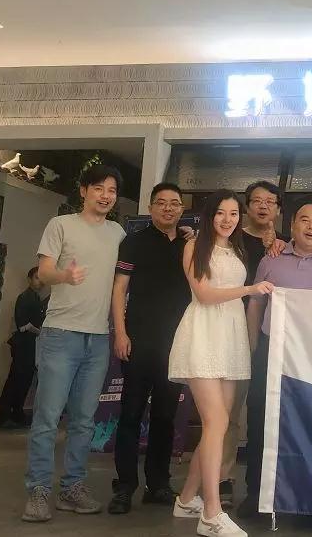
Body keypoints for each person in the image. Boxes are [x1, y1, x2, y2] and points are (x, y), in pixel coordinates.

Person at [240, 203, 312, 536]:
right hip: (273, 350)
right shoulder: (272, 259)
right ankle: (257, 494)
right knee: (262, 418)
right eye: (304, 219)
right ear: (291, 225)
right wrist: (252, 349)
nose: (311, 226)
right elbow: (256, 305)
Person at [22, 165, 126, 522]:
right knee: (47, 418)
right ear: (83, 190)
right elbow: (44, 272)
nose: (106, 195)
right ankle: (38, 491)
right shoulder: (61, 225)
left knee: (84, 421)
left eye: (112, 190)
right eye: (99, 188)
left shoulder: (118, 233)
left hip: (98, 338)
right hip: (60, 335)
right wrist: (65, 275)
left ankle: (72, 488)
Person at [167, 190, 273, 537]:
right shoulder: (194, 246)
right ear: (209, 215)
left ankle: (186, 499)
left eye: (233, 213)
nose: (227, 220)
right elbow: (204, 294)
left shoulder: (238, 248)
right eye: (220, 213)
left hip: (231, 336)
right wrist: (249, 290)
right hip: (203, 333)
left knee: (221, 424)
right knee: (216, 422)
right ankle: (211, 513)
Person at [108, 183, 193, 514]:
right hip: (138, 341)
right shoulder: (134, 242)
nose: (168, 208)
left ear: (182, 209)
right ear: (151, 207)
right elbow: (119, 289)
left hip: (176, 345)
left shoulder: (188, 245)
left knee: (165, 417)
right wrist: (120, 333)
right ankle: (125, 486)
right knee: (130, 414)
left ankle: (158, 484)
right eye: (161, 203)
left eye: (174, 203)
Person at [220, 180, 287, 506]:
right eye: (257, 201)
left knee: (264, 411)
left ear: (278, 209)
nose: (263, 206)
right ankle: (222, 478)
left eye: (270, 202)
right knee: (229, 411)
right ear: (246, 206)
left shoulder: (284, 246)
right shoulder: (230, 239)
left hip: (271, 336)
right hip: (230, 329)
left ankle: (266, 484)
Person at [0, 266, 47, 429]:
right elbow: (22, 324)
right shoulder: (25, 297)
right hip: (23, 344)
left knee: (25, 380)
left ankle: (17, 412)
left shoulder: (37, 298)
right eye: (37, 278)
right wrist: (38, 330)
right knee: (16, 379)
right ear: (29, 279)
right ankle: (5, 415)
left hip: (31, 345)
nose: (40, 282)